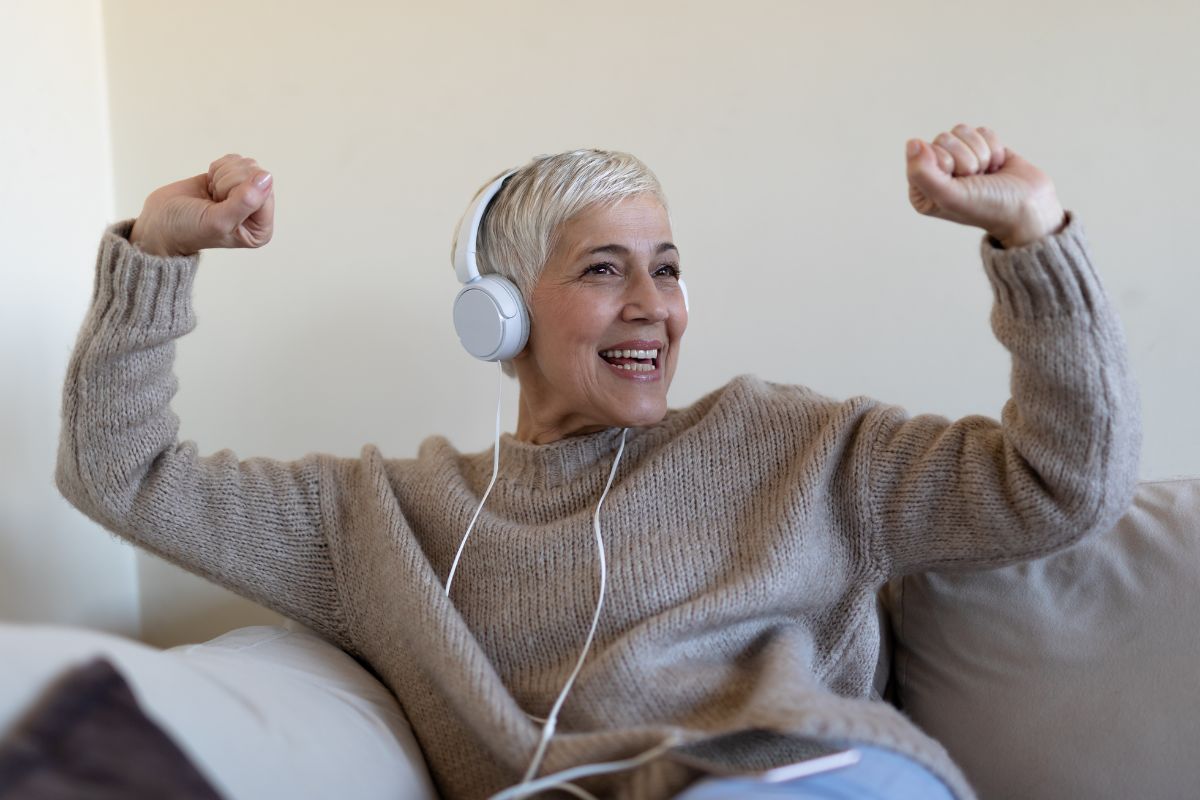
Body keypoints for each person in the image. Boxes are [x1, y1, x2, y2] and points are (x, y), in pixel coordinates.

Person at [56, 124, 1141, 800]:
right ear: (499, 315)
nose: (652, 307)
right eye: (605, 269)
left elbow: (1064, 481)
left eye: (666, 269)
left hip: (814, 778)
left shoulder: (798, 445)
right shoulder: (384, 521)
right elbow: (122, 472)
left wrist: (1033, 237)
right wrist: (158, 253)